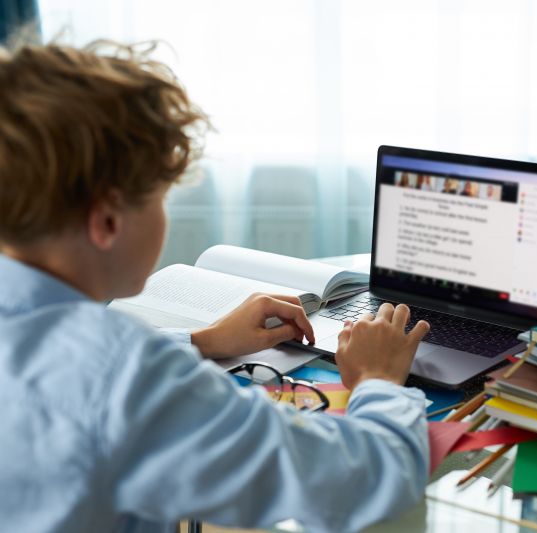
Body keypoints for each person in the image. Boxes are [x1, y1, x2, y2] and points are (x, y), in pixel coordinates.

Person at [0, 39, 431, 533]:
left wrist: (202, 342)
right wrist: (377, 379)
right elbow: (360, 482)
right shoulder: (123, 374)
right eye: (160, 198)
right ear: (107, 221)